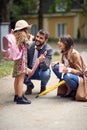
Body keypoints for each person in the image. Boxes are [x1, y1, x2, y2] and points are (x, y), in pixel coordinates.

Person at [51, 34, 87, 101]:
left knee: (66, 76)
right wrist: (57, 62)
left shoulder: (75, 54)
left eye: (60, 41)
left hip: (80, 77)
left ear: (66, 43)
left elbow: (80, 72)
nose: (58, 43)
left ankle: (75, 89)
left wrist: (68, 70)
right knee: (55, 67)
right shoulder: (64, 52)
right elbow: (65, 63)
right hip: (69, 74)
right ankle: (69, 87)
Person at [24, 29, 53, 95]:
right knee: (19, 72)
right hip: (29, 70)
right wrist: (26, 69)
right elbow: (25, 61)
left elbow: (46, 67)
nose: (38, 39)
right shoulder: (30, 45)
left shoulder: (48, 50)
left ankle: (43, 86)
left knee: (46, 73)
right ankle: (29, 85)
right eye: (37, 36)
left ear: (46, 40)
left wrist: (42, 62)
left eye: (41, 38)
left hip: (40, 71)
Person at [12, 20, 34, 104]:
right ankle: (20, 98)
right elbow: (28, 45)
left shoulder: (15, 35)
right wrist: (31, 39)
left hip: (16, 59)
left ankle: (17, 95)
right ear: (25, 28)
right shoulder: (23, 34)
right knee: (21, 78)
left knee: (17, 78)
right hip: (22, 60)